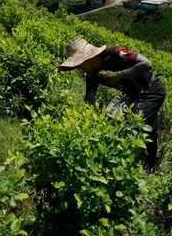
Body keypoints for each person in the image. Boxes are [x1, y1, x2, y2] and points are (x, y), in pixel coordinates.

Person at [58, 36, 166, 170]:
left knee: (138, 122)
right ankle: (137, 161)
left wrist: (119, 75)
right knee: (120, 122)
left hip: (151, 90)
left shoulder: (115, 54)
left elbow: (147, 64)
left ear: (88, 58)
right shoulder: (92, 75)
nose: (80, 69)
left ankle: (148, 165)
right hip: (132, 94)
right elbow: (89, 102)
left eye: (80, 65)